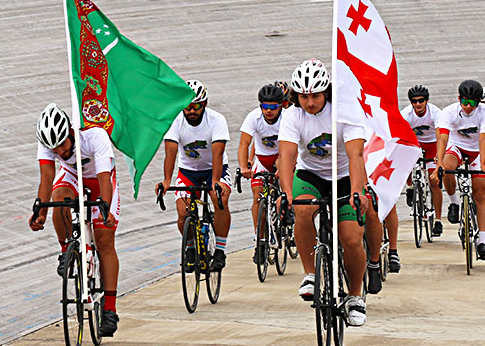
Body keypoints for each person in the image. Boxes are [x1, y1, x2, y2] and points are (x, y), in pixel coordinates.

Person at [277, 59, 380, 328]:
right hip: (311, 174)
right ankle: (310, 273)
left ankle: (355, 296)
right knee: (302, 208)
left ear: (327, 93)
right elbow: (286, 155)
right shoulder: (292, 115)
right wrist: (286, 192)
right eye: (303, 96)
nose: (310, 103)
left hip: (345, 176)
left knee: (351, 239)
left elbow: (356, 154)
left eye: (316, 96)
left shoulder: (345, 112)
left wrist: (358, 191)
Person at [29, 103, 121, 337]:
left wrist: (105, 209)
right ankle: (66, 251)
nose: (59, 151)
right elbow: (47, 178)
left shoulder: (94, 136)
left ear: (70, 131)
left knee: (104, 242)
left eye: (62, 144)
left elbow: (103, 176)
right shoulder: (48, 143)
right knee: (58, 199)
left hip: (99, 179)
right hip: (72, 177)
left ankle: (109, 308)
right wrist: (40, 212)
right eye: (53, 148)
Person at [157, 79, 232, 272]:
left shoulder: (216, 120)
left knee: (219, 197)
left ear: (205, 104)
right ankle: (190, 248)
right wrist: (167, 180)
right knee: (183, 213)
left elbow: (218, 153)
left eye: (196, 106)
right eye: (188, 106)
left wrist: (215, 181)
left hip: (215, 169)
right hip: (188, 171)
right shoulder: (175, 121)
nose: (191, 111)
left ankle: (220, 250)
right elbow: (170, 152)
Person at [434, 80, 485, 261]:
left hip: (476, 151)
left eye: (474, 103)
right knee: (447, 169)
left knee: (479, 194)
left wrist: (483, 164)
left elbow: (483, 139)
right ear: (459, 98)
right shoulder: (449, 112)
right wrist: (438, 163)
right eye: (465, 102)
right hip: (456, 147)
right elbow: (443, 139)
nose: (469, 107)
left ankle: (482, 241)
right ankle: (454, 202)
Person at [238, 82, 288, 261]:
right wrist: (244, 166)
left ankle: (289, 214)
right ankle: (260, 240)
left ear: (281, 106)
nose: (268, 111)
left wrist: (283, 166)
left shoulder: (287, 117)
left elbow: (290, 148)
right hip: (262, 159)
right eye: (265, 107)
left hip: (283, 155)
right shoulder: (253, 117)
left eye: (273, 107)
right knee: (258, 196)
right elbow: (244, 143)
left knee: (288, 188)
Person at [401, 84, 444, 236]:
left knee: (435, 183)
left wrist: (439, 158)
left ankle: (438, 220)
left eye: (421, 101)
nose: (418, 104)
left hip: (432, 145)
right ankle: (411, 187)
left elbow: (440, 136)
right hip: (415, 144)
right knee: (404, 160)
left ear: (427, 101)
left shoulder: (435, 113)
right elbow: (402, 138)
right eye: (414, 101)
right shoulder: (406, 114)